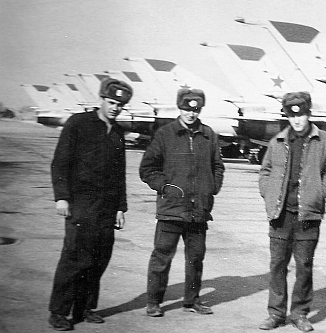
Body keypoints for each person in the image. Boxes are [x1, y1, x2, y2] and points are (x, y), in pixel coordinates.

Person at [48, 78, 133, 331]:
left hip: (106, 207)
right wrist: (61, 196)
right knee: (74, 257)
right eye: (112, 101)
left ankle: (85, 308)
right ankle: (59, 312)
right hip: (80, 203)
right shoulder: (79, 123)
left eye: (120, 104)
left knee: (99, 258)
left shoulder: (117, 132)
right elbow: (60, 162)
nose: (115, 107)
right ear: (102, 99)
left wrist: (121, 207)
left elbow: (120, 173)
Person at [258, 92, 326, 332]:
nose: (296, 120)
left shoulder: (324, 141)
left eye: (301, 114)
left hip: (308, 217)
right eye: (292, 115)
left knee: (304, 266)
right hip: (280, 216)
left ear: (309, 114)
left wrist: (316, 194)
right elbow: (264, 172)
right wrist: (269, 193)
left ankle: (299, 314)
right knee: (277, 266)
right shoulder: (277, 141)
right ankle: (275, 314)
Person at [139, 88, 225, 317]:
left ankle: (192, 300)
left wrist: (211, 188)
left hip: (199, 210)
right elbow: (147, 168)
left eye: (195, 110)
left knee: (196, 258)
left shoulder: (208, 135)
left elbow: (218, 166)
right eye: (187, 109)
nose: (191, 114)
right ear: (179, 108)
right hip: (171, 210)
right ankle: (154, 302)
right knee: (161, 257)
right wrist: (165, 188)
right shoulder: (165, 134)